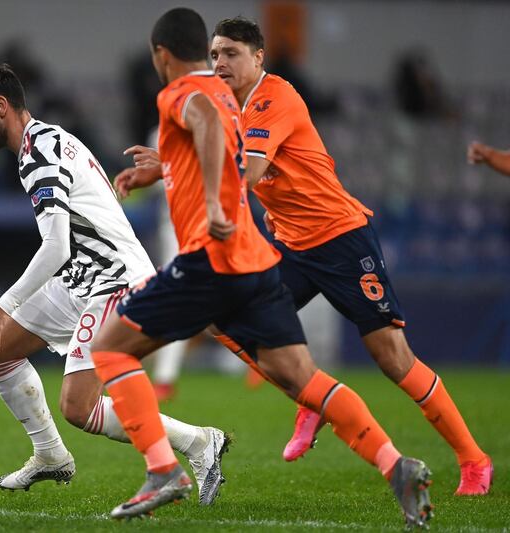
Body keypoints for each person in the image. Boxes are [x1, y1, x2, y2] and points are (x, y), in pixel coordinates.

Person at [119, 16, 492, 497]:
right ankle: (310, 397)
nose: (220, 63)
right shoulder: (225, 103)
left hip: (340, 238)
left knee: (392, 357)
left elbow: (247, 175)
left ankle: (474, 459)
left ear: (258, 58)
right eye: (214, 55)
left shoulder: (275, 98)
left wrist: (166, 169)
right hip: (292, 245)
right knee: (223, 321)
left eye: (231, 53)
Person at [0, 64, 229, 505]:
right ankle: (49, 454)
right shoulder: (44, 140)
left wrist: (5, 303)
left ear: (0, 106)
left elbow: (56, 245)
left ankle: (199, 443)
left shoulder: (39, 152)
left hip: (113, 279)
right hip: (81, 277)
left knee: (78, 408)